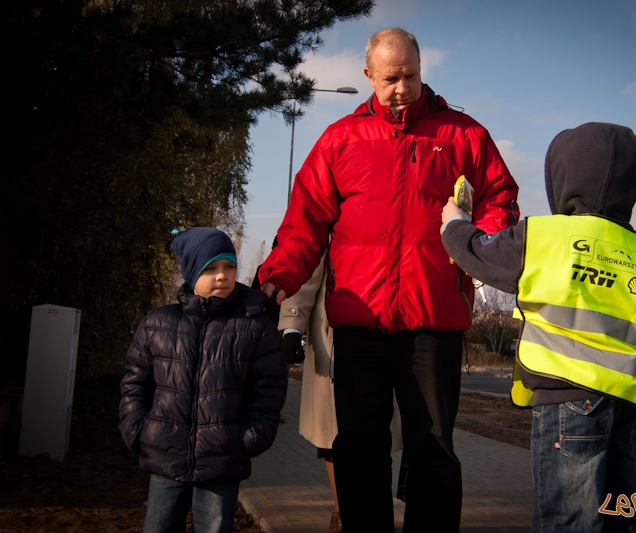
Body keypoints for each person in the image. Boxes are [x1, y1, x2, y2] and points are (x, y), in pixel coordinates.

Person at [258, 27, 519, 532]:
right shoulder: (339, 141)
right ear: (368, 76)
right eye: (391, 78)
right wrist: (276, 279)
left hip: (433, 320)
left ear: (422, 70)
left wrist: (477, 245)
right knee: (358, 446)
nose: (402, 88)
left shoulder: (463, 135)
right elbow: (303, 223)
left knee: (434, 446)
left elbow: (499, 199)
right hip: (360, 325)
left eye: (411, 76)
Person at [440, 122, 636, 533]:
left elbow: (479, 255)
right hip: (632, 406)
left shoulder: (544, 237)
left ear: (561, 177)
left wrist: (455, 222)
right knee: (625, 516)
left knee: (569, 516)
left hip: (569, 400)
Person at [119, 227, 288, 533]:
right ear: (191, 272)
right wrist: (137, 431)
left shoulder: (255, 327)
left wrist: (249, 437)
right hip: (164, 455)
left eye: (229, 266)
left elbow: (269, 390)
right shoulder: (158, 323)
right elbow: (135, 382)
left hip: (222, 460)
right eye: (211, 268)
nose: (222, 275)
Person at [279, 251, 403, 533]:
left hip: (389, 331)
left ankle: (372, 511)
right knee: (334, 435)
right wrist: (291, 325)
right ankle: (341, 511)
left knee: (376, 434)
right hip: (334, 336)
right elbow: (307, 264)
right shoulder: (335, 210)